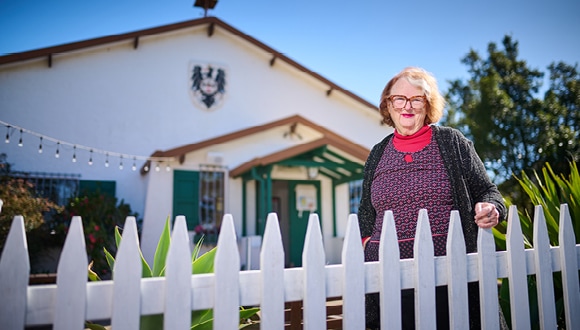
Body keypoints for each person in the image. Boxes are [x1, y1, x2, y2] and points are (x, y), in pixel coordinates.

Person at [357, 67, 507, 329]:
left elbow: (488, 190)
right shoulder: (377, 153)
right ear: (388, 105)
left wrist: (491, 207)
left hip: (449, 276)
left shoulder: (452, 142)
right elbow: (366, 213)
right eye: (399, 99)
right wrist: (368, 244)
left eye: (417, 99)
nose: (408, 106)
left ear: (428, 106)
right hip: (388, 279)